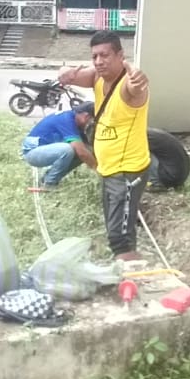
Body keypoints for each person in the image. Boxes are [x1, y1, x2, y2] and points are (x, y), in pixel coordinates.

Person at [58, 30, 150, 261]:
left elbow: (136, 89)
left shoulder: (127, 85)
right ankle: (127, 268)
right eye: (95, 56)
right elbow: (71, 76)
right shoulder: (98, 78)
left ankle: (133, 275)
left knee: (121, 238)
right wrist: (64, 72)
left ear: (120, 55)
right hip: (109, 169)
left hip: (127, 172)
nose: (99, 61)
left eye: (105, 55)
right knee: (115, 229)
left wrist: (139, 83)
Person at [22, 101, 98, 190]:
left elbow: (87, 150)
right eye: (91, 120)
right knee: (69, 150)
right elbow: (81, 152)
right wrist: (99, 170)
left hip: (43, 150)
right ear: (86, 116)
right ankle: (49, 184)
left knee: (84, 151)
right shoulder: (67, 119)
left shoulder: (74, 120)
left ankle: (46, 179)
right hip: (32, 153)